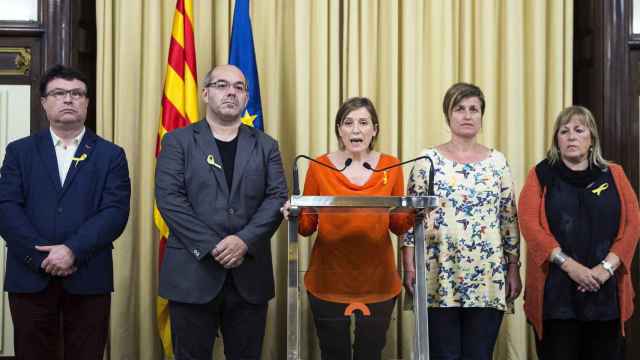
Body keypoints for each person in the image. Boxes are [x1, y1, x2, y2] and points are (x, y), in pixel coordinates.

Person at [155, 64, 288, 360]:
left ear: (245, 97)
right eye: (222, 85)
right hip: (192, 274)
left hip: (249, 276)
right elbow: (169, 200)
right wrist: (213, 245)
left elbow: (277, 196)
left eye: (239, 87)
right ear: (205, 93)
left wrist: (243, 241)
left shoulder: (266, 145)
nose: (231, 92)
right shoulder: (177, 141)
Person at [0, 65, 131, 359]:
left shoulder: (111, 155)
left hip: (88, 274)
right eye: (59, 93)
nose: (68, 99)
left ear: (87, 102)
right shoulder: (19, 151)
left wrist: (72, 250)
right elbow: (6, 208)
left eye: (76, 93)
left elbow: (114, 211)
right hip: (30, 275)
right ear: (44, 102)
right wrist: (42, 256)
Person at [282, 97, 413, 360]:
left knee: (370, 354)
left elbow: (398, 227)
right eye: (349, 123)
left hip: (378, 282)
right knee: (333, 354)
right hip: (329, 280)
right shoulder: (319, 166)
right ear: (339, 129)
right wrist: (293, 214)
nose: (356, 130)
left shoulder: (392, 166)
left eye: (364, 123)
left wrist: (416, 214)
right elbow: (307, 227)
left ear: (374, 129)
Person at [402, 82, 521, 360]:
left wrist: (513, 267)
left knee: (479, 354)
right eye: (459, 109)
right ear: (448, 115)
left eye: (474, 109)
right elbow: (410, 218)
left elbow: (508, 218)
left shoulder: (497, 162)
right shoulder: (426, 160)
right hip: (438, 275)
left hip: (487, 276)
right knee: (444, 354)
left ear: (481, 116)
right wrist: (408, 263)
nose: (467, 115)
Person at [518, 105, 640, 360]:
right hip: (556, 296)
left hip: (605, 294)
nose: (571, 136)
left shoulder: (614, 174)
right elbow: (530, 224)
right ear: (556, 140)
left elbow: (633, 225)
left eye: (578, 130)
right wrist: (571, 267)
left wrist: (605, 269)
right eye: (564, 131)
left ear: (591, 138)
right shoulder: (540, 174)